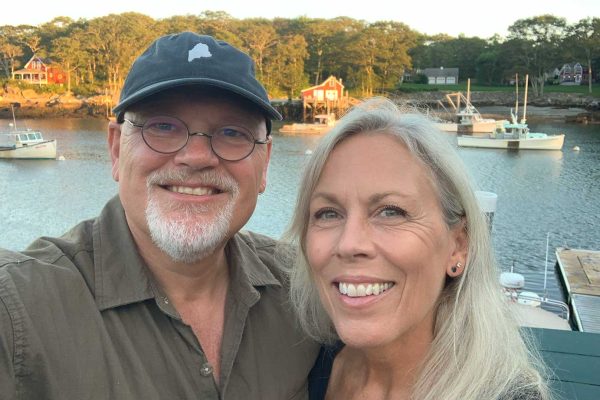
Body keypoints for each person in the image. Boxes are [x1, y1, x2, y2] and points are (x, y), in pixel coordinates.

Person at [0, 32, 319, 399]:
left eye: (233, 132)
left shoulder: (305, 290)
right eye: (163, 127)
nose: (197, 156)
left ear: (264, 164)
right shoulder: (18, 309)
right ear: (116, 149)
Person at [283, 98, 550, 400]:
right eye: (328, 213)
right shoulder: (306, 362)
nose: (349, 244)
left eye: (391, 212)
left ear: (459, 246)